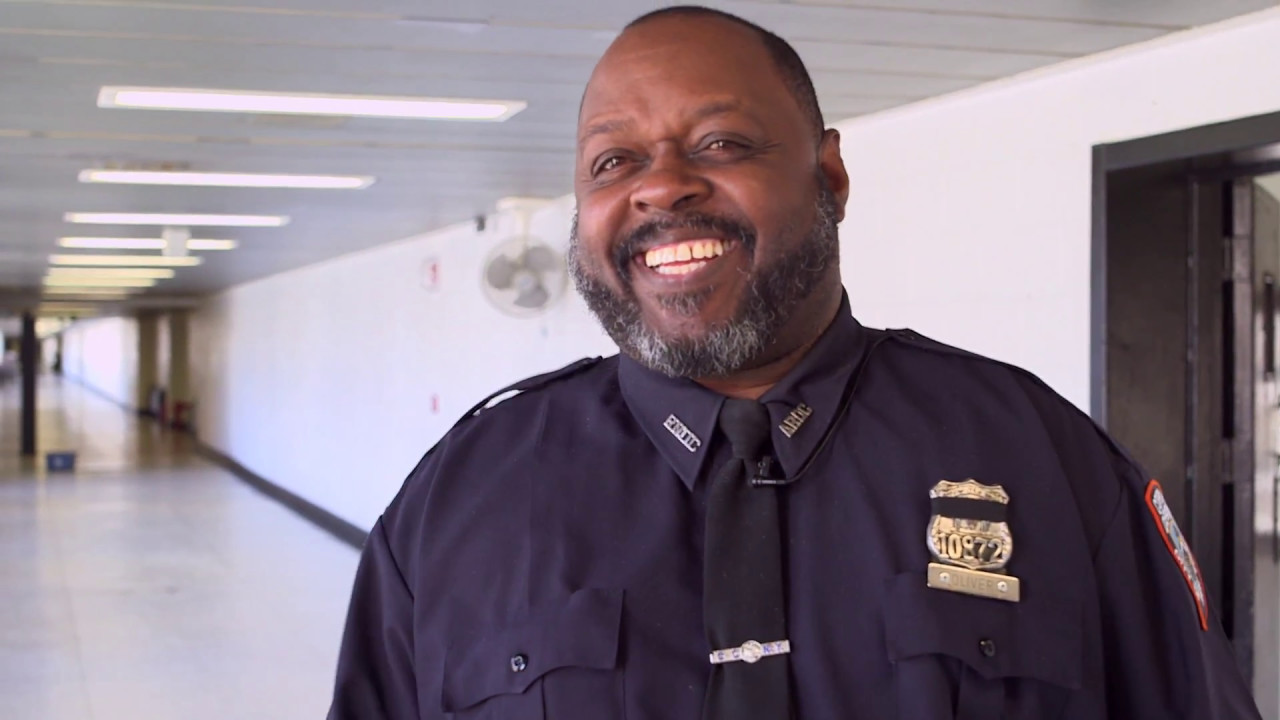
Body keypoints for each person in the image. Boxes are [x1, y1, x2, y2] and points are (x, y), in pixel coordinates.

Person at [327, 6, 1262, 719]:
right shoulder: (458, 500)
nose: (661, 186)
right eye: (613, 163)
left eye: (721, 144)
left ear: (831, 177)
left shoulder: (1045, 459)